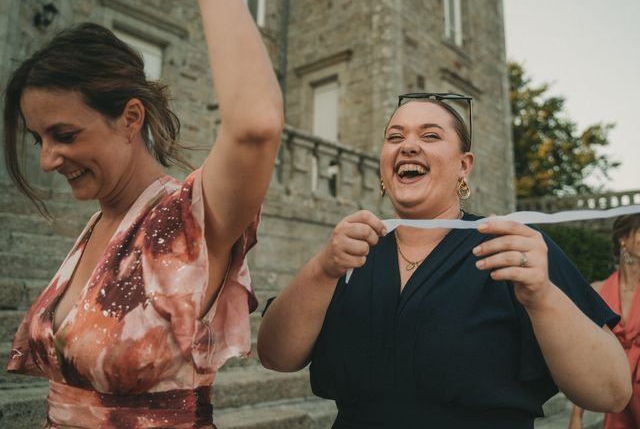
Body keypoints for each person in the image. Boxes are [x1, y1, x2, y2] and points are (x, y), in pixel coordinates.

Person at [4, 0, 283, 427]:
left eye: (65, 136)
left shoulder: (186, 219)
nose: (48, 159)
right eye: (39, 139)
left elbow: (255, 124)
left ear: (131, 117)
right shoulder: (99, 226)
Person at [257, 93, 631, 429]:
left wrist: (543, 297)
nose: (408, 146)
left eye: (430, 135)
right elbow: (275, 356)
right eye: (395, 137)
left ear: (464, 166)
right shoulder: (350, 253)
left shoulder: (510, 248)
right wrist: (323, 269)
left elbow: (611, 394)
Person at [570, 214, 640, 429]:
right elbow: (586, 355)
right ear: (623, 239)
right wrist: (576, 417)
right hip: (617, 391)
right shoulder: (598, 291)